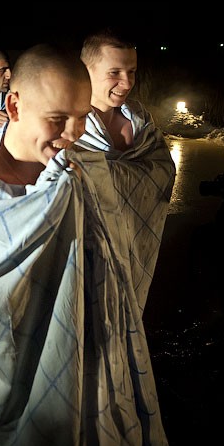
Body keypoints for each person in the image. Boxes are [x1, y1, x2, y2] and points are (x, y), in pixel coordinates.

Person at [0, 44, 168, 446]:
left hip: (95, 349)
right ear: (13, 105)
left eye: (81, 117)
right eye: (57, 119)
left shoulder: (80, 167)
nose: (71, 134)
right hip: (18, 362)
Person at [75, 28, 177, 309]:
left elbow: (163, 171)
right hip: (86, 257)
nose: (127, 82)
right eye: (115, 72)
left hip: (136, 252)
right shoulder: (68, 125)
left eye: (131, 72)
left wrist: (103, 174)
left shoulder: (140, 118)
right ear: (86, 69)